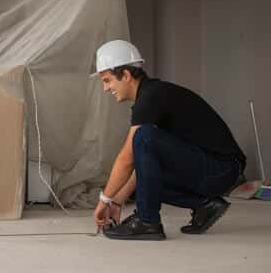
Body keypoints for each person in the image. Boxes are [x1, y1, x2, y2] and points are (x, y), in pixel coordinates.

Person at [90, 40, 245, 240]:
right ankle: (205, 204)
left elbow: (127, 158)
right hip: (214, 169)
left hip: (222, 168)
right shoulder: (150, 96)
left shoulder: (151, 97)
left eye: (107, 80)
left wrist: (104, 200)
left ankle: (148, 222)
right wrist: (117, 201)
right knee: (142, 174)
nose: (105, 88)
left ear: (126, 75)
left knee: (142, 136)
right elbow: (142, 162)